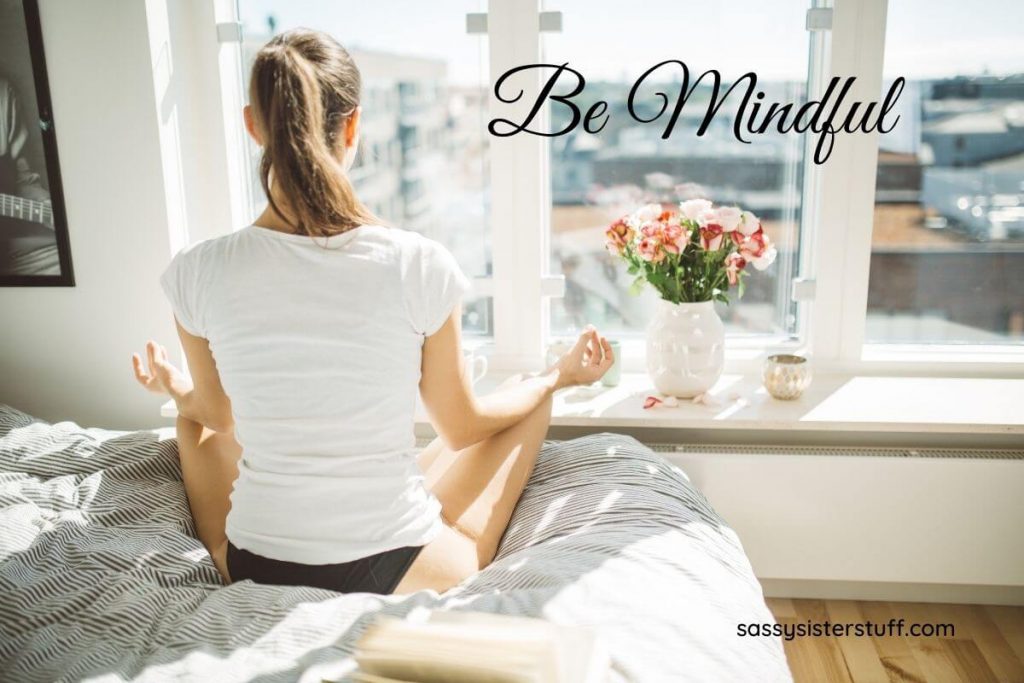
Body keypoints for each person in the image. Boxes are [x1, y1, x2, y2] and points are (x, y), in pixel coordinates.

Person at [130, 29, 614, 595]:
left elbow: (217, 414)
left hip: (255, 562)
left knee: (191, 419)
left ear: (252, 125)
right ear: (353, 125)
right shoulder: (417, 263)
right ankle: (553, 379)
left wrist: (176, 387)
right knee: (530, 394)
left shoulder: (196, 271)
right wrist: (559, 376)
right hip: (398, 566)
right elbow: (461, 429)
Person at [0, 75, 58, 276]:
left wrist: (51, 209)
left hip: (7, 245)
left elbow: (22, 180)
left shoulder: (4, 92)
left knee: (66, 261)